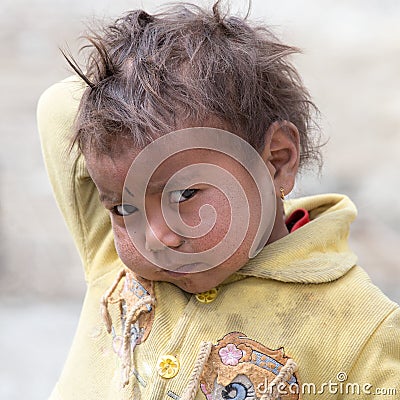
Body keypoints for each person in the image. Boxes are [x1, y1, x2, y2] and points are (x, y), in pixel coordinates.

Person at [37, 1, 400, 399]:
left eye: (185, 194)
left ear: (276, 161)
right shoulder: (109, 251)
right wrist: (134, 78)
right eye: (124, 208)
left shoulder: (362, 329)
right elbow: (57, 106)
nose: (156, 238)